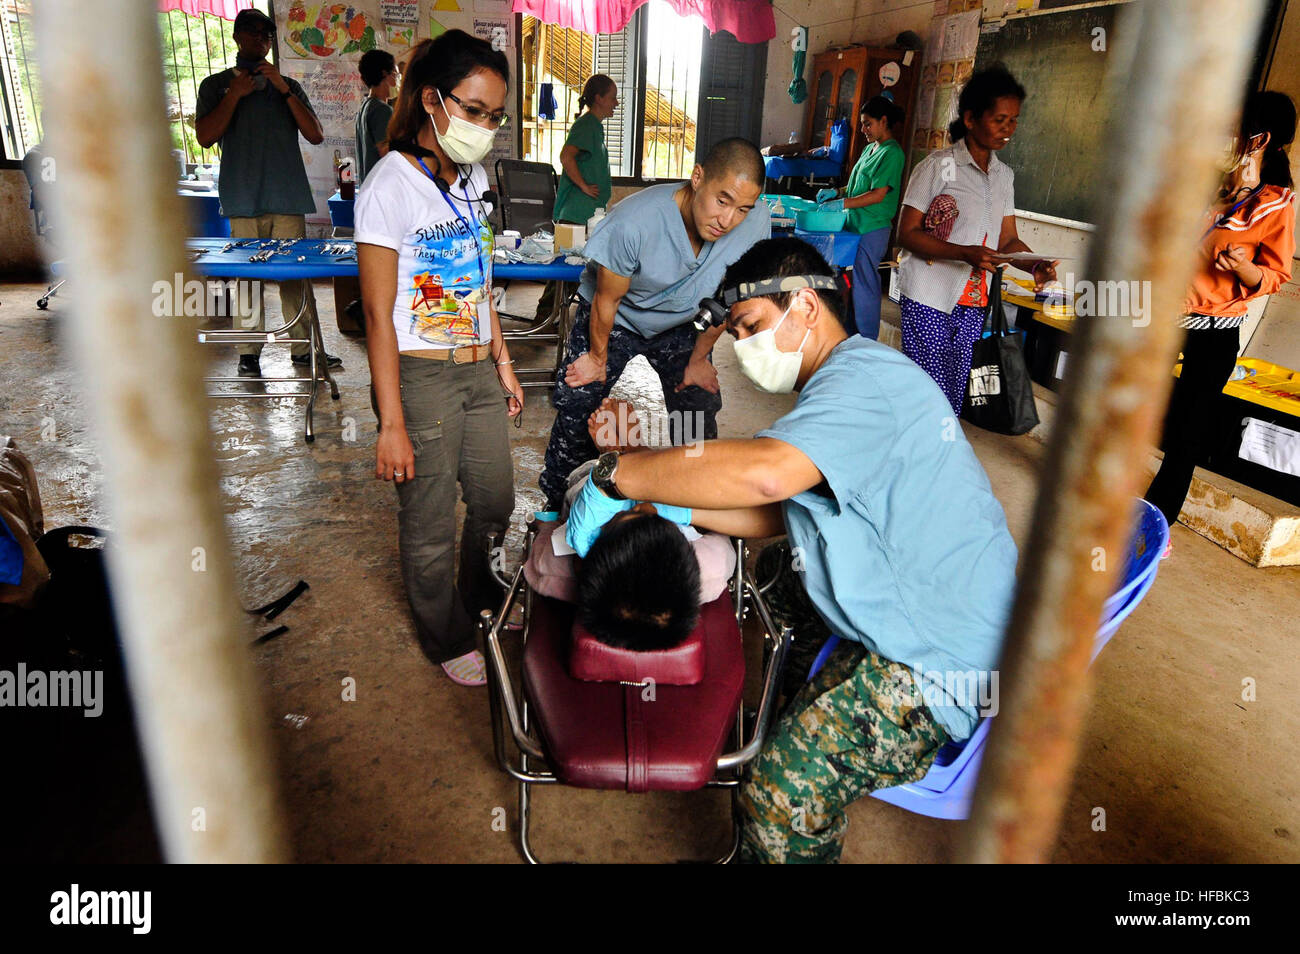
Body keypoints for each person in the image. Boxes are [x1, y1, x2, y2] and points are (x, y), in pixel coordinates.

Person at [566, 237, 1019, 862]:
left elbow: (768, 474)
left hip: (943, 654)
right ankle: (792, 703)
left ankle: (786, 786)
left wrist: (619, 475)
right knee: (781, 567)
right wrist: (666, 506)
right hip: (937, 603)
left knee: (778, 796)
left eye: (749, 327)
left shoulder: (864, 384)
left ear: (806, 305)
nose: (743, 350)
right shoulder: (852, 377)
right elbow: (779, 510)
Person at [354, 31, 523, 686]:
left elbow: (480, 284)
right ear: (431, 100)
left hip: (479, 369)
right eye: (474, 110)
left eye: (494, 115)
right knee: (427, 519)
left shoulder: (474, 180)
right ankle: (444, 634)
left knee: (494, 499)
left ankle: (480, 599)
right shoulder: (387, 187)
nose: (485, 127)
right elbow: (375, 314)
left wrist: (504, 361)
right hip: (420, 374)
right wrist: (390, 421)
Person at [538, 138, 772, 510]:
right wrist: (597, 358)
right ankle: (554, 506)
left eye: (742, 208)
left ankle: (693, 498)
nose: (728, 220)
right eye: (722, 200)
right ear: (697, 178)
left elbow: (726, 297)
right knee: (579, 400)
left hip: (683, 322)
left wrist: (699, 359)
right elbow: (606, 299)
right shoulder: (634, 222)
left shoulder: (756, 222)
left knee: (698, 402)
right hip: (618, 318)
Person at [1146, 90, 1297, 531]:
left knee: (1187, 434)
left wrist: (1246, 268)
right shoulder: (1207, 185)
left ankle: (1156, 519)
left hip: (1214, 327)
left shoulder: (1276, 204)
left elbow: (1274, 277)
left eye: (1233, 128)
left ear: (1258, 139)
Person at [895, 65, 1055, 414]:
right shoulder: (939, 167)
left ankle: (939, 461)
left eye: (1014, 120)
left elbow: (1008, 240)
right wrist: (964, 253)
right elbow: (906, 234)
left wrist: (1035, 264)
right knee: (925, 394)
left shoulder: (1003, 177)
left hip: (972, 302)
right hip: (929, 295)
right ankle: (914, 459)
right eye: (1000, 119)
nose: (1008, 129)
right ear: (970, 119)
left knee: (952, 395)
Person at [195, 8, 341, 376]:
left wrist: (283, 90)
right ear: (236, 36)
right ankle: (248, 354)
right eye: (251, 32)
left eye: (266, 34)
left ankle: (302, 350)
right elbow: (205, 137)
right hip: (242, 198)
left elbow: (316, 135)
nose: (259, 39)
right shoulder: (215, 85)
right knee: (247, 279)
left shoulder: (287, 86)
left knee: (294, 276)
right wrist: (236, 95)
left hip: (286, 196)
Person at [815, 96, 906, 340]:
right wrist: (838, 192)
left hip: (873, 227)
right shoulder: (870, 148)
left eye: (868, 124)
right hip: (853, 224)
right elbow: (856, 187)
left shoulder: (892, 153)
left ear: (883, 121)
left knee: (865, 282)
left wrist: (842, 203)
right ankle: (847, 331)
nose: (863, 129)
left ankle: (866, 339)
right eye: (863, 124)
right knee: (846, 279)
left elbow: (878, 194)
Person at [534, 74, 619, 322]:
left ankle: (550, 321)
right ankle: (544, 321)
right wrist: (582, 186)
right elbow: (566, 156)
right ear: (599, 98)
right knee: (565, 273)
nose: (615, 103)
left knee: (573, 274)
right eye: (612, 98)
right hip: (575, 214)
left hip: (584, 214)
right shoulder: (587, 125)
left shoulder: (595, 127)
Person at [355, 49, 398, 183]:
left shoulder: (365, 107)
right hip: (381, 188)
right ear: (385, 74)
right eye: (395, 75)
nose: (397, 81)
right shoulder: (382, 110)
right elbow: (387, 154)